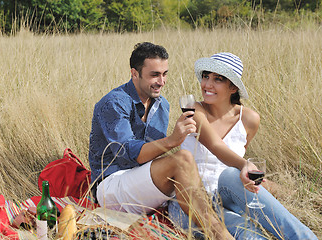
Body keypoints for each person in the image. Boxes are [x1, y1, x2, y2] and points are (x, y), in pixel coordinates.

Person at [88, 42, 255, 239]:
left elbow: (153, 158)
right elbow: (132, 154)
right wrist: (173, 140)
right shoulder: (114, 103)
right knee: (182, 159)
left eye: (165, 73)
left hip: (143, 182)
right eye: (154, 75)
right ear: (134, 73)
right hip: (111, 186)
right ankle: (220, 236)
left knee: (194, 176)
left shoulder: (162, 105)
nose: (161, 81)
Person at [167, 52, 318, 239]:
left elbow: (234, 164)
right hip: (190, 203)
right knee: (247, 232)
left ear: (233, 87)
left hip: (228, 196)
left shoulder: (249, 119)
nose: (207, 84)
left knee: (231, 174)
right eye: (206, 76)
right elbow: (215, 145)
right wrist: (244, 164)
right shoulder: (195, 110)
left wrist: (249, 172)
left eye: (218, 79)